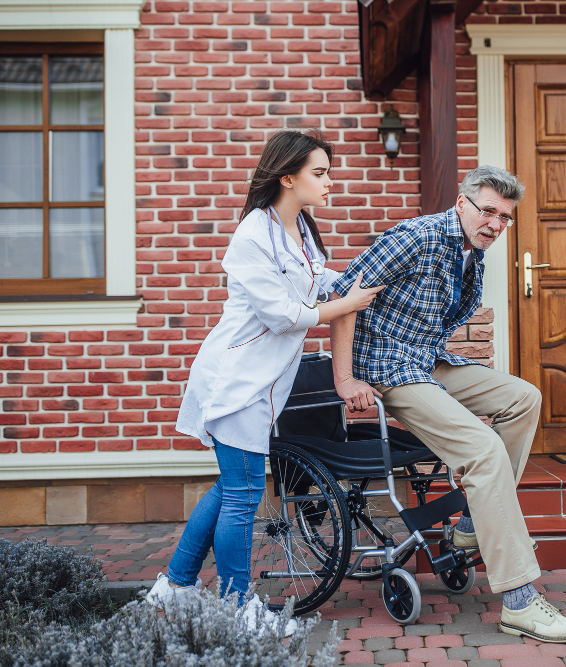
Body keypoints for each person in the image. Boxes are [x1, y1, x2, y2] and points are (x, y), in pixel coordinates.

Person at [329, 166, 566, 644]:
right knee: (483, 450)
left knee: (522, 397)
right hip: (388, 366)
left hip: (426, 360)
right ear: (462, 203)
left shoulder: (472, 253)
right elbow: (345, 296)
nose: (495, 223)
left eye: (505, 217)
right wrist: (344, 379)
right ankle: (520, 601)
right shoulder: (417, 236)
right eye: (488, 210)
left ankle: (470, 524)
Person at [145, 130, 384, 634]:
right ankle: (237, 611)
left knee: (233, 487)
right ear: (288, 176)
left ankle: (174, 588)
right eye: (319, 173)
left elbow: (320, 283)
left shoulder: (302, 229)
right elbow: (282, 315)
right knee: (243, 495)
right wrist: (348, 304)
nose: (329, 182)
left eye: (328, 172)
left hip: (264, 384)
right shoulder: (252, 234)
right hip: (236, 381)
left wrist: (360, 284)